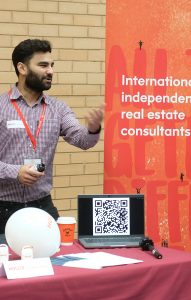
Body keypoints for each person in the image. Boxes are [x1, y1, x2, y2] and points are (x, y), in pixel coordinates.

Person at [0, 39, 104, 233]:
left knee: (56, 258)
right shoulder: (1, 107)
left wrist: (92, 129)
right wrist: (15, 172)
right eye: (43, 65)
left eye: (52, 65)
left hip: (42, 206)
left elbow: (82, 140)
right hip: (3, 208)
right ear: (22, 68)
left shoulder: (58, 109)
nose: (50, 71)